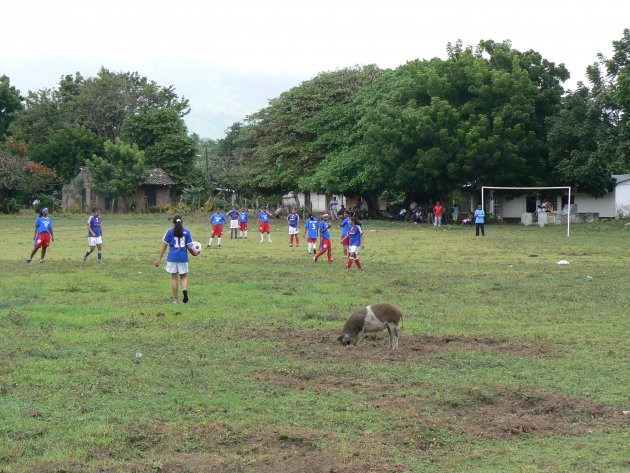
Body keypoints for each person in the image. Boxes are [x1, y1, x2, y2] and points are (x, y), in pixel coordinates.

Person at [154, 215, 198, 304]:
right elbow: (189, 246)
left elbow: (164, 246)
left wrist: (159, 259)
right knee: (183, 276)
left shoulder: (169, 232)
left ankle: (176, 300)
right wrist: (195, 253)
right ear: (182, 221)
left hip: (172, 258)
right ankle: (184, 289)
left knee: (174, 278)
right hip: (183, 258)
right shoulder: (187, 232)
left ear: (173, 222)